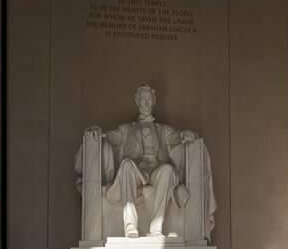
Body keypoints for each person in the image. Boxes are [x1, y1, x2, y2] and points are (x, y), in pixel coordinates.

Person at [75, 84, 216, 238]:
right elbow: (107, 136)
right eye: (143, 99)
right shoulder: (126, 129)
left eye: (149, 99)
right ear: (138, 101)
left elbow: (178, 136)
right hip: (136, 171)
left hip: (156, 170)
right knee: (126, 165)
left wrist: (186, 135)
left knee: (168, 169)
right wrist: (97, 131)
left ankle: (157, 226)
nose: (146, 103)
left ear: (153, 101)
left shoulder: (163, 130)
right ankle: (130, 224)